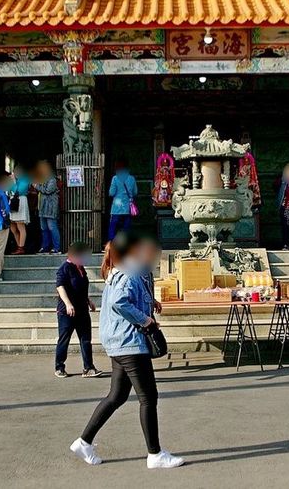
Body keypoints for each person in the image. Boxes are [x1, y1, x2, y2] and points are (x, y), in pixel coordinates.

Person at [70, 232, 184, 469]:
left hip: (118, 341)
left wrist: (150, 303)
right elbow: (119, 302)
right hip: (129, 342)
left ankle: (84, 441)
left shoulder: (122, 270)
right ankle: (155, 454)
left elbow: (127, 297)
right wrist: (145, 320)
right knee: (148, 397)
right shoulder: (131, 272)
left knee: (117, 395)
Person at [55, 241, 101, 378]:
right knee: (64, 339)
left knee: (85, 339)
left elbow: (81, 288)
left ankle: (88, 367)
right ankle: (59, 367)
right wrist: (68, 304)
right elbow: (60, 286)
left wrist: (88, 300)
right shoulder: (65, 268)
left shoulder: (81, 269)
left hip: (82, 309)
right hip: (67, 312)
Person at [33, 161, 61, 253]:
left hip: (50, 207)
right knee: (43, 228)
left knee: (52, 227)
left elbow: (48, 190)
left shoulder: (52, 179)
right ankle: (45, 246)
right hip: (42, 207)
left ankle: (56, 247)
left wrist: (37, 186)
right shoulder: (41, 178)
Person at [107, 158, 138, 242]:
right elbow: (135, 192)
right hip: (128, 207)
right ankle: (125, 244)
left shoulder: (115, 178)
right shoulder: (132, 178)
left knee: (113, 227)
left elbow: (111, 193)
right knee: (126, 228)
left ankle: (112, 244)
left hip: (117, 207)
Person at [9, 166, 32, 254]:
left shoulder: (25, 179)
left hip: (20, 201)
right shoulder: (14, 179)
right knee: (13, 227)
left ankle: (21, 247)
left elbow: (18, 191)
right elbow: (8, 189)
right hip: (13, 202)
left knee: (20, 225)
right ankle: (18, 245)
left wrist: (14, 182)